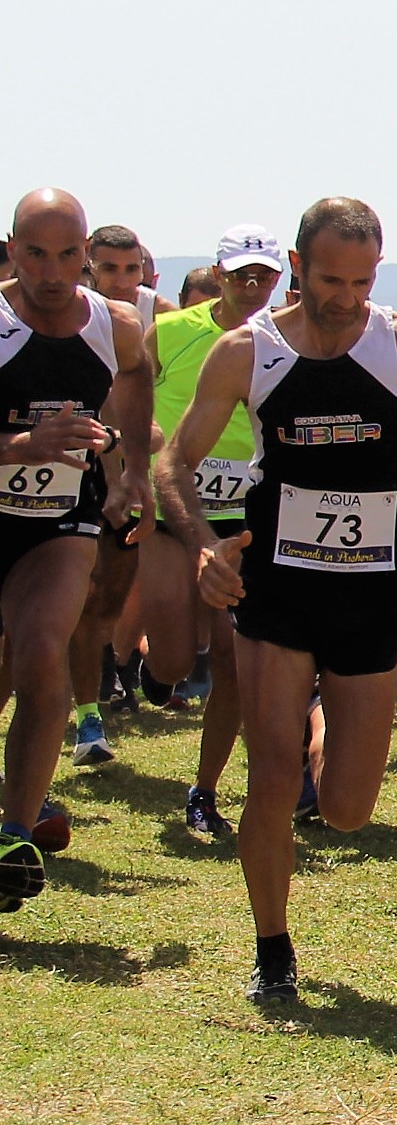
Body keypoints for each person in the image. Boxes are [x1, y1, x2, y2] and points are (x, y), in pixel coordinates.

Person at [156, 196, 397, 1003]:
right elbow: (174, 460)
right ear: (297, 268)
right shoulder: (248, 352)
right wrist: (203, 544)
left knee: (347, 807)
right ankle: (272, 948)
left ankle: (320, 728)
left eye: (361, 281)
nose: (346, 298)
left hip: (373, 593)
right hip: (276, 586)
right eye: (329, 280)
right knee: (271, 776)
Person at [0, 191, 153, 914]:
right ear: (12, 250)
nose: (53, 273)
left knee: (41, 652)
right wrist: (23, 445)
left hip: (59, 522)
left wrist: (133, 470)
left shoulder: (114, 324)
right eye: (36, 254)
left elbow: (138, 376)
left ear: (86, 253)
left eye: (68, 255)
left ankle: (12, 837)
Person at [139, 229, 284, 833]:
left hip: (241, 520)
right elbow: (126, 394)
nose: (252, 285)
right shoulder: (169, 332)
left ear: (279, 277)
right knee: (176, 664)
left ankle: (204, 790)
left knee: (232, 660)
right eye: (241, 274)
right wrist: (134, 454)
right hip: (171, 511)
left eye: (264, 275)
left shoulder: (285, 340)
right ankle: (156, 667)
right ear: (218, 274)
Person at [67, 224, 163, 762]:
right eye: (109, 269)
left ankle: (100, 682)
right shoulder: (71, 317)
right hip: (73, 478)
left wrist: (135, 463)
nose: (123, 281)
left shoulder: (158, 318)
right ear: (89, 267)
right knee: (77, 605)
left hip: (127, 480)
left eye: (132, 270)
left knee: (106, 605)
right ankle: (87, 720)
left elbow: (155, 423)